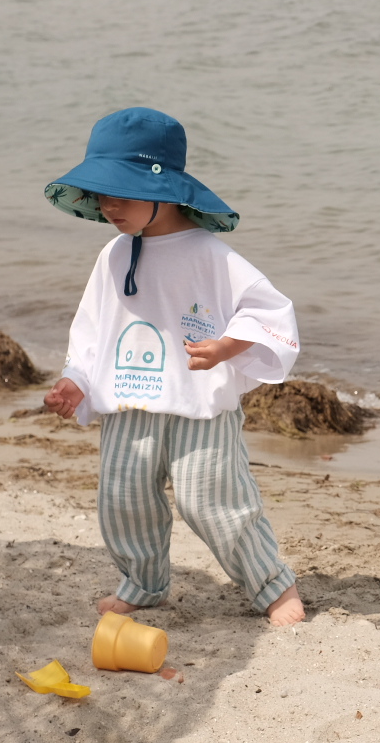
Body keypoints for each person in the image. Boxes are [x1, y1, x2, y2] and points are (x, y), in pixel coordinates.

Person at [39, 107, 305, 627]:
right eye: (101, 193)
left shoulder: (212, 254)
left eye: (122, 191)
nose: (108, 205)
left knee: (213, 502)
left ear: (165, 190)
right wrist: (76, 379)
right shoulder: (114, 255)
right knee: (123, 499)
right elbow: (93, 326)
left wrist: (230, 346)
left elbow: (269, 310)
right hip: (129, 398)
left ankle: (273, 585)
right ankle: (142, 583)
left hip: (198, 405)